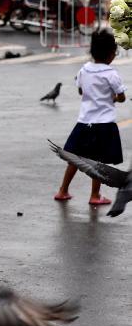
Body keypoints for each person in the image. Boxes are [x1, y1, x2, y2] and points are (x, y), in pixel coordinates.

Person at [55, 29, 126, 204]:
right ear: (111, 54)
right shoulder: (111, 74)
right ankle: (95, 196)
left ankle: (63, 191)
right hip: (104, 124)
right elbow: (122, 97)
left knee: (75, 158)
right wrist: (113, 98)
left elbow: (81, 90)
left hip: (84, 122)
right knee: (97, 162)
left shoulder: (84, 70)